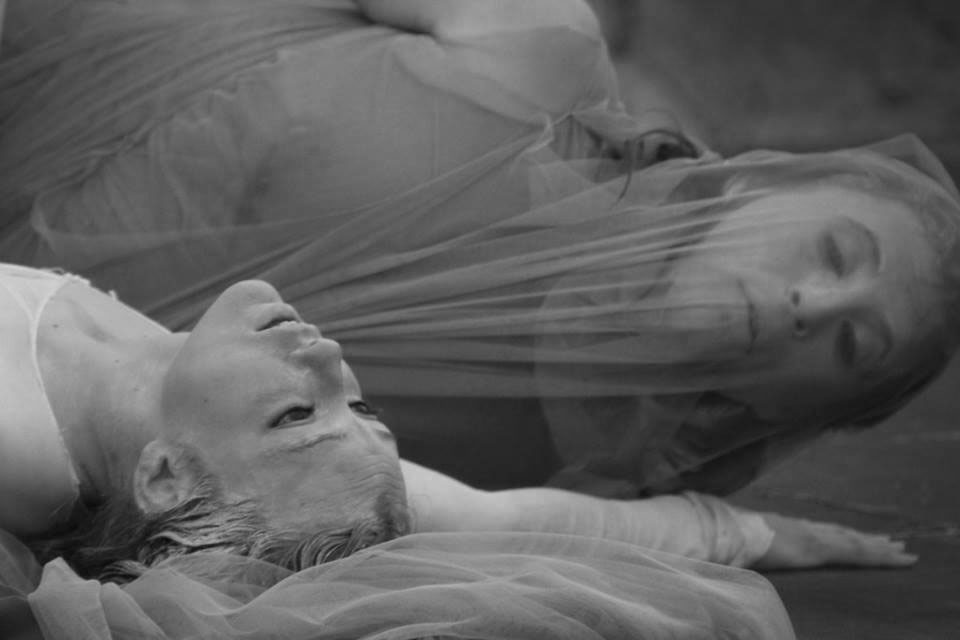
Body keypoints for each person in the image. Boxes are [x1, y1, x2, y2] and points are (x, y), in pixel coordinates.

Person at [2, 0, 959, 498]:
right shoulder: (542, 51)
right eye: (834, 255)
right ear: (760, 184)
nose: (811, 306)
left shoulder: (591, 477)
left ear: (792, 412)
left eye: (852, 346)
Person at [0, 263, 908, 639]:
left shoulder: (19, 445)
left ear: (165, 475)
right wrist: (745, 533)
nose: (330, 357)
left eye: (298, 411)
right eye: (357, 403)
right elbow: (514, 519)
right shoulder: (265, 461)